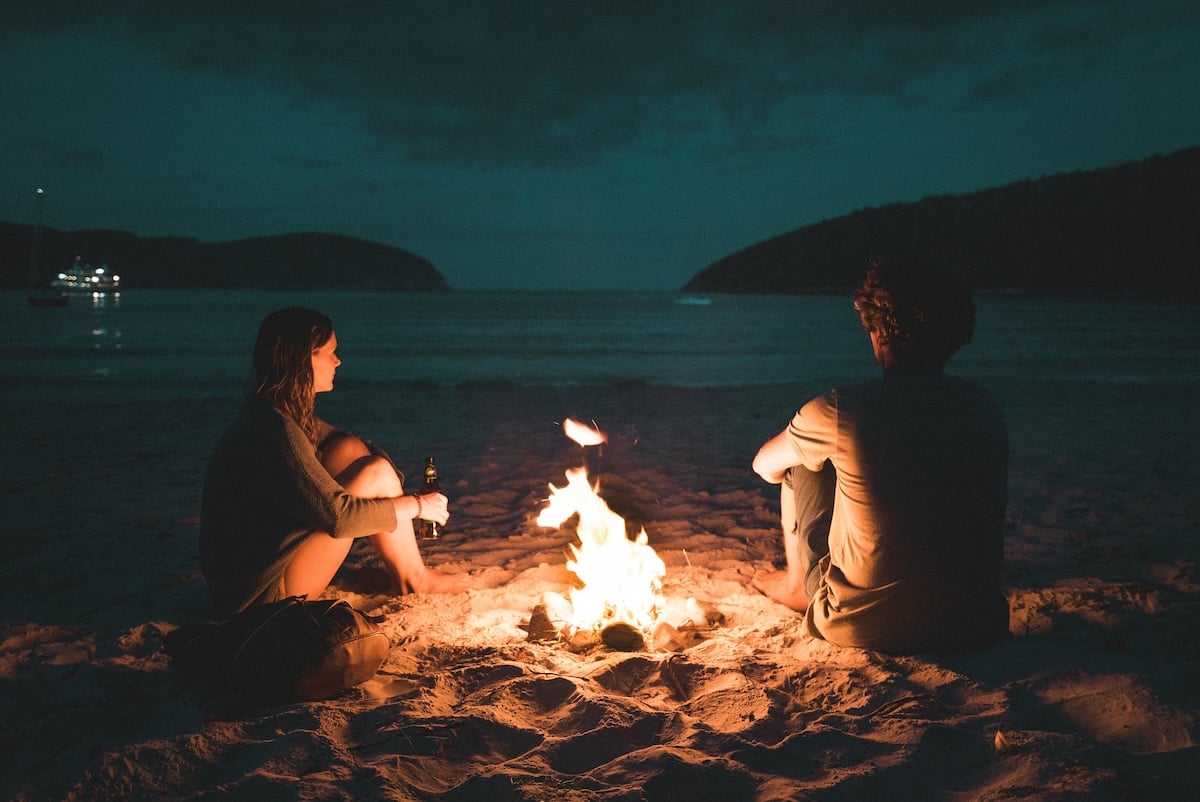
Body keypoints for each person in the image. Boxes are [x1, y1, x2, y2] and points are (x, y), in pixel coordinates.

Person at [752, 260, 1009, 653]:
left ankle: (795, 585)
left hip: (861, 625)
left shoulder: (843, 410)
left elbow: (764, 467)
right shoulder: (983, 406)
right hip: (976, 622)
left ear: (877, 334)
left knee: (801, 461)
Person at [200, 306, 467, 617]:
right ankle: (415, 579)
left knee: (348, 450)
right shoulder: (277, 432)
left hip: (242, 581)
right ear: (303, 359)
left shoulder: (271, 414)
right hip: (262, 599)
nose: (338, 361)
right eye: (330, 353)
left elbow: (353, 447)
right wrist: (419, 505)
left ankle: (412, 573)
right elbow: (339, 519)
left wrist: (387, 481)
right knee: (376, 474)